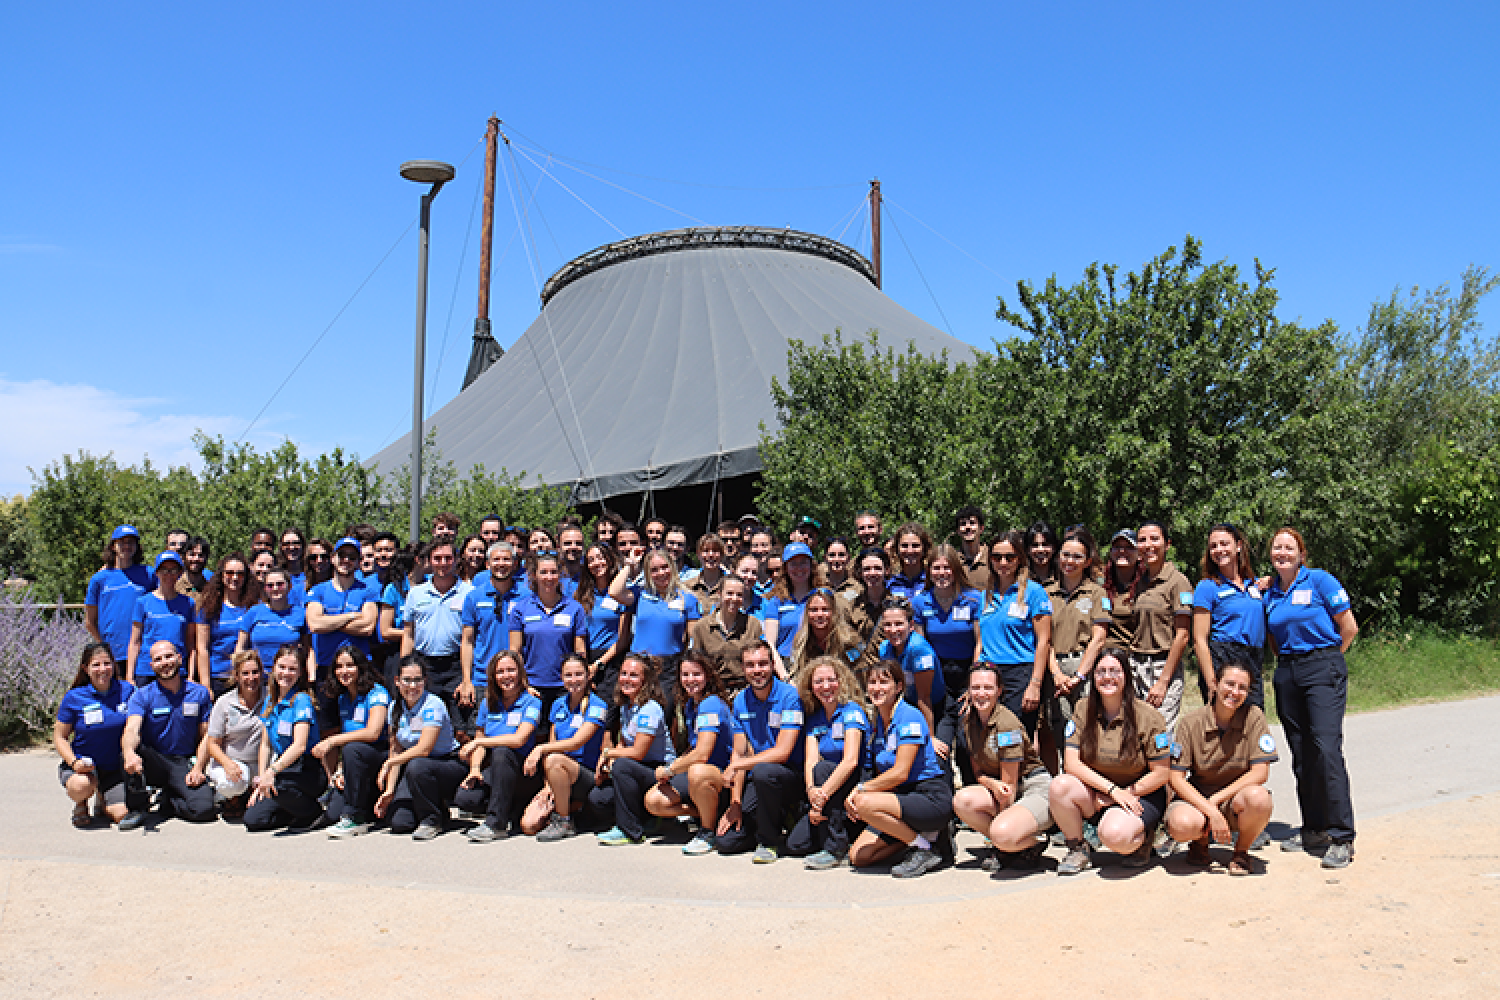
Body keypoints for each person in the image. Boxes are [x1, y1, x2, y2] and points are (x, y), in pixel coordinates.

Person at [1264, 527, 1359, 869]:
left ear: (1301, 554)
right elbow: (1273, 636)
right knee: (1302, 754)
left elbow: (1348, 627)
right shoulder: (1270, 591)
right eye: (1277, 548)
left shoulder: (1320, 581)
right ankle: (1314, 828)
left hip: (1322, 665)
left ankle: (1341, 835)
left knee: (1326, 748)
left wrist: (1331, 660)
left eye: (1289, 547)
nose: (1283, 553)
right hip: (1287, 670)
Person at [1049, 648, 1171, 874]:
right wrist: (1112, 792)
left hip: (1141, 794)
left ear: (1126, 675)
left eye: (1114, 671)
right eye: (1101, 671)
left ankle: (1143, 840)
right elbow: (1071, 764)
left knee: (1113, 835)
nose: (1107, 677)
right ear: (1093, 676)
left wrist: (1125, 793)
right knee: (1060, 786)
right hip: (1102, 792)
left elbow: (1162, 773)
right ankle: (1078, 847)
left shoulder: (1148, 716)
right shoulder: (1083, 708)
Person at [1165, 662, 1277, 875]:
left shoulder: (1254, 717)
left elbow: (1260, 773)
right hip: (1197, 799)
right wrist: (1208, 809)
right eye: (1230, 684)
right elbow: (1176, 778)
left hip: (1234, 800)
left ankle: (1241, 853)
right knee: (1181, 824)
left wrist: (1215, 802)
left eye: (1242, 687)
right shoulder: (1191, 723)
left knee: (1260, 799)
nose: (1235, 692)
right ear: (1215, 684)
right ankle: (1199, 843)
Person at [847, 659, 952, 878]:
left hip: (928, 796)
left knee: (863, 802)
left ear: (899, 687)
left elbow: (900, 772)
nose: (877, 688)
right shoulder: (877, 721)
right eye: (872, 682)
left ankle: (925, 849)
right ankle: (924, 840)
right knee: (859, 856)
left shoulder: (909, 716)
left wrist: (861, 789)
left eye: (884, 682)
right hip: (900, 799)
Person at [952, 664, 1053, 870]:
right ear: (968, 691)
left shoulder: (1007, 725)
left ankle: (1026, 842)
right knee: (962, 801)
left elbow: (1010, 786)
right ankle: (1014, 845)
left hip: (1031, 786)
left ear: (999, 691)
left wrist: (998, 788)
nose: (981, 694)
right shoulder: (969, 721)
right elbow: (978, 771)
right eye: (976, 687)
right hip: (1001, 786)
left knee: (1001, 834)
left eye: (988, 688)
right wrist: (990, 783)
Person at [716, 641, 805, 862]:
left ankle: (769, 841)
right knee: (726, 843)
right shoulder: (740, 701)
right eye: (750, 665)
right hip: (758, 775)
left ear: (773, 665)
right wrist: (735, 803)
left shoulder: (789, 697)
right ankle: (766, 825)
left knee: (764, 771)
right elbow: (739, 753)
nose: (757, 670)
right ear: (743, 669)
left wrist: (736, 765)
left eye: (763, 664)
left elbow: (782, 752)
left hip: (790, 776)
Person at [643, 652, 735, 855]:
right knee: (654, 801)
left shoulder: (710, 703)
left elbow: (702, 753)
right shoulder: (691, 705)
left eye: (696, 674)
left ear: (708, 676)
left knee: (697, 771)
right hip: (696, 773)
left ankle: (707, 831)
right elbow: (693, 748)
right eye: (685, 674)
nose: (690, 680)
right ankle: (702, 814)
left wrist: (671, 769)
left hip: (719, 774)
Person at [119, 641, 216, 830]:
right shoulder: (142, 695)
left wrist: (198, 768)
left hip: (184, 762)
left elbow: (207, 735)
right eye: (158, 659)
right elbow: (131, 729)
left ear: (179, 658)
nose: (165, 663)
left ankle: (170, 800)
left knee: (204, 810)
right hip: (155, 761)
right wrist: (130, 753)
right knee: (127, 747)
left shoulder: (199, 693)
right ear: (151, 666)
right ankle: (137, 808)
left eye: (169, 656)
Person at [786, 655, 868, 869]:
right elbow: (810, 759)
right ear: (810, 687)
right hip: (827, 788)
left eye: (831, 680)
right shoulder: (815, 718)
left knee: (824, 768)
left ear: (841, 681)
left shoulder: (851, 711)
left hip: (854, 784)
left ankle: (835, 848)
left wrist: (820, 798)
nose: (826, 686)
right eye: (818, 682)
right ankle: (844, 834)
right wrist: (811, 790)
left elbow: (850, 761)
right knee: (796, 844)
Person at [1043, 527, 1112, 771]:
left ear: (1087, 561)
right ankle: (1066, 775)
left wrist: (1079, 676)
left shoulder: (1097, 593)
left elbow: (1099, 638)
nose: (1069, 561)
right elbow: (1044, 639)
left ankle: (1092, 774)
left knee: (1088, 723)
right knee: (1059, 725)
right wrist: (1057, 674)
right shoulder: (1045, 593)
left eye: (1076, 557)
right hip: (1055, 668)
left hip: (1084, 666)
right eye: (1065, 555)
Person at [458, 650, 544, 841]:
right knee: (465, 798)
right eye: (500, 672)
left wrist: (480, 741)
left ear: (520, 673)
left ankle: (495, 824)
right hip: (497, 771)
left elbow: (519, 740)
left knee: (503, 752)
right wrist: (474, 769)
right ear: (493, 676)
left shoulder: (532, 701)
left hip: (523, 772)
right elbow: (479, 741)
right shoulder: (488, 704)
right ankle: (508, 809)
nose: (506, 676)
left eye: (511, 670)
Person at [590, 654, 675, 846]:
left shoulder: (650, 709)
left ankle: (629, 830)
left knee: (622, 765)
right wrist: (606, 763)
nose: (627, 679)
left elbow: (638, 752)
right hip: (637, 769)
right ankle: (646, 818)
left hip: (660, 771)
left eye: (634, 675)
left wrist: (607, 754)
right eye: (624, 673)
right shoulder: (627, 706)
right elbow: (624, 743)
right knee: (598, 798)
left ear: (645, 681)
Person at [976, 531, 1054, 736]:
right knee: (981, 738)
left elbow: (1044, 641)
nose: (1003, 562)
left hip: (1020, 674)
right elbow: (980, 642)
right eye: (996, 557)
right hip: (989, 673)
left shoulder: (1034, 592)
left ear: (1019, 559)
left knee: (1012, 738)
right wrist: (974, 676)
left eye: (1009, 557)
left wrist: (1035, 684)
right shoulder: (985, 595)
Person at [376, 658, 463, 839]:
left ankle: (431, 821)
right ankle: (438, 809)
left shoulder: (433, 705)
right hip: (415, 770)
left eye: (418, 680)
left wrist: (389, 763)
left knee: (418, 764)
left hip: (446, 765)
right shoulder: (394, 708)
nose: (412, 686)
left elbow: (424, 749)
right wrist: (390, 790)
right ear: (397, 681)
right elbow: (396, 749)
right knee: (399, 822)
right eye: (407, 680)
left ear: (425, 681)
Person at [527, 655, 610, 841]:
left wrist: (539, 749)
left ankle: (563, 821)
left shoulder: (598, 705)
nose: (574, 680)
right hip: (558, 775)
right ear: (562, 678)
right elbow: (554, 744)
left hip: (587, 776)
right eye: (568, 675)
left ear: (588, 676)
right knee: (529, 825)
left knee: (553, 759)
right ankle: (568, 807)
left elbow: (576, 742)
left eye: (579, 674)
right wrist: (548, 786)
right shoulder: (558, 705)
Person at [243, 644, 327, 831]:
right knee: (253, 820)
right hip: (283, 770)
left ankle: (313, 813)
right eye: (282, 667)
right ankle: (294, 812)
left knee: (279, 787)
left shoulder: (301, 700)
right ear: (273, 669)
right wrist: (261, 778)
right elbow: (265, 744)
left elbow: (299, 745)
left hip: (306, 770)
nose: (286, 673)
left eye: (292, 669)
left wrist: (271, 772)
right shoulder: (270, 700)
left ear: (300, 673)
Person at [913, 543, 982, 766]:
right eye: (936, 568)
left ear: (955, 570)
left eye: (947, 568)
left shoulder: (973, 599)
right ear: (928, 571)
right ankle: (943, 790)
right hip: (937, 676)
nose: (941, 573)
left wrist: (974, 681)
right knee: (940, 740)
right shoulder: (920, 601)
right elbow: (920, 645)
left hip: (967, 673)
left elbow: (980, 642)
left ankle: (972, 792)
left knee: (967, 741)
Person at [54, 643, 135, 828]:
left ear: (114, 665)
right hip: (84, 767)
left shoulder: (127, 691)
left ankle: (103, 801)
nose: (103, 669)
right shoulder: (74, 697)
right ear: (86, 668)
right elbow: (60, 737)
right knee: (80, 786)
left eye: (107, 663)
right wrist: (74, 762)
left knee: (122, 815)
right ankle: (80, 804)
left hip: (114, 767)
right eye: (96, 665)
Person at [1122, 521, 1194, 731]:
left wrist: (1163, 682)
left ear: (1167, 544)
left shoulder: (1178, 582)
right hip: (1136, 665)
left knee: (1159, 734)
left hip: (1162, 666)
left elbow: (1182, 636)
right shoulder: (1139, 582)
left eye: (1155, 539)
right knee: (1137, 732)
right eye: (1142, 540)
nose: (1148, 545)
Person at [315, 644, 392, 838]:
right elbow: (349, 735)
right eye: (339, 666)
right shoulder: (343, 698)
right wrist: (341, 769)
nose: (344, 671)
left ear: (360, 668)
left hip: (379, 755)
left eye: (350, 665)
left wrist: (333, 741)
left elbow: (373, 733)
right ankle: (357, 807)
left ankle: (355, 818)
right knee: (332, 813)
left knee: (352, 748)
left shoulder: (377, 693)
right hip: (356, 759)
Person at [1192, 523, 1267, 709]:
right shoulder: (1207, 586)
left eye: (1224, 544)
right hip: (1223, 656)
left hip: (1253, 658)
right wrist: (1211, 680)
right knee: (1225, 726)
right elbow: (1199, 639)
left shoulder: (1254, 585)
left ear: (1238, 545)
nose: (1219, 550)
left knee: (1254, 721)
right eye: (1213, 546)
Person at [401, 542, 473, 729]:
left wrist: (467, 679)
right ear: (429, 561)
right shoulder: (416, 594)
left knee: (460, 725)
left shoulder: (468, 593)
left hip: (456, 665)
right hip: (425, 665)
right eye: (437, 558)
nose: (443, 563)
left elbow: (470, 638)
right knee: (425, 722)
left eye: (448, 558)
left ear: (456, 560)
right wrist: (404, 668)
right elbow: (408, 634)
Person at [509, 551, 588, 716]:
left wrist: (581, 685)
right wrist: (523, 684)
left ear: (560, 575)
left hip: (565, 686)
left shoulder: (574, 608)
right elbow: (515, 651)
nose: (549, 577)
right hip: (532, 686)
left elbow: (580, 651)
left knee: (563, 735)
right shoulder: (521, 608)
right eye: (543, 572)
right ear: (534, 575)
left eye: (553, 572)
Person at [459, 541, 527, 731]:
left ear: (514, 564)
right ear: (487, 564)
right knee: (480, 736)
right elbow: (467, 641)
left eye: (506, 559)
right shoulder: (474, 597)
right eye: (496, 559)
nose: (501, 564)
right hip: (482, 680)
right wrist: (466, 680)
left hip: (515, 679)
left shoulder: (527, 597)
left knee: (512, 735)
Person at [306, 536, 380, 691]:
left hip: (358, 668)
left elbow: (367, 627)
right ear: (333, 558)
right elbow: (315, 624)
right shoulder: (318, 590)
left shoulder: (368, 591)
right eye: (342, 555)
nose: (346, 560)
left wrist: (328, 622)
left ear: (359, 562)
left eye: (352, 557)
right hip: (327, 667)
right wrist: (352, 616)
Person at [202, 650, 266, 819]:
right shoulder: (224, 703)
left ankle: (251, 793)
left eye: (255, 672)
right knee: (232, 784)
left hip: (262, 763)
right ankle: (233, 798)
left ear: (262, 673)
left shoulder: (271, 697)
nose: (251, 678)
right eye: (245, 673)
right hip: (233, 763)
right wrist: (227, 763)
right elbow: (212, 743)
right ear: (236, 676)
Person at [611, 548, 702, 661]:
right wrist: (630, 564)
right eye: (654, 570)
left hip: (670, 664)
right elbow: (614, 592)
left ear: (672, 567)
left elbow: (692, 638)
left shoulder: (688, 598)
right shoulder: (639, 593)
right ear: (648, 573)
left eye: (664, 567)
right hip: (640, 662)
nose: (661, 573)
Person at [86, 525, 156, 667]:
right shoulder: (99, 579)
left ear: (137, 546)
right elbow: (90, 622)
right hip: (113, 654)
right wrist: (104, 647)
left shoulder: (149, 574)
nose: (126, 546)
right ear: (113, 546)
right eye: (122, 542)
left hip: (143, 652)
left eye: (131, 542)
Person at [126, 551, 197, 685]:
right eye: (164, 570)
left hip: (177, 670)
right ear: (157, 573)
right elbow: (135, 641)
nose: (169, 575)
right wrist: (130, 676)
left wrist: (191, 675)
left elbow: (191, 644)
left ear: (180, 573)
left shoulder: (188, 603)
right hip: (147, 671)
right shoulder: (143, 602)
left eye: (173, 570)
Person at [194, 554, 261, 694]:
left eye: (240, 574)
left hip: (247, 678)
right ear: (221, 575)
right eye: (230, 573)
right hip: (217, 676)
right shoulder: (209, 607)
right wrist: (205, 684)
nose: (235, 578)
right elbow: (202, 648)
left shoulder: (255, 606)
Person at [686, 575, 764, 693]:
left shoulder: (753, 625)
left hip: (745, 690)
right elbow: (697, 664)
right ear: (719, 594)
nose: (734, 598)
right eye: (729, 593)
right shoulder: (701, 628)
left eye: (739, 595)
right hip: (713, 690)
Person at [877, 597, 942, 730]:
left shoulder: (919, 650)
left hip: (934, 708)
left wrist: (929, 737)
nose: (893, 630)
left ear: (911, 625)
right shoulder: (884, 649)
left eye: (899, 624)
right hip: (905, 704)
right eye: (888, 624)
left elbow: (924, 698)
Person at [759, 542, 823, 678]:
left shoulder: (822, 596)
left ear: (811, 565)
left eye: (803, 562)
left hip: (816, 664)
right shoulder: (776, 601)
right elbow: (770, 643)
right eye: (793, 563)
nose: (799, 568)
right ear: (786, 568)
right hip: (785, 667)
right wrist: (784, 676)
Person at [576, 542, 628, 704]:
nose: (596, 563)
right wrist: (585, 666)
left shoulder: (621, 593)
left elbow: (623, 639)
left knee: (608, 713)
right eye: (591, 560)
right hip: (586, 659)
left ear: (610, 560)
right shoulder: (580, 595)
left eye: (600, 558)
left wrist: (598, 665)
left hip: (611, 660)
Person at [787, 588, 866, 682]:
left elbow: (859, 671)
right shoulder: (800, 640)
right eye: (813, 610)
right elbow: (797, 673)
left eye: (825, 609)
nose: (819, 615)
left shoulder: (850, 640)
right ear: (807, 614)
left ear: (834, 612)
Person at [238, 567, 309, 668]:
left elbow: (308, 650)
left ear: (289, 586)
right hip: (258, 676)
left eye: (280, 584)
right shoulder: (253, 612)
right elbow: (240, 648)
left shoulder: (301, 614)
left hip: (288, 674)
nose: (275, 588)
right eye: (270, 585)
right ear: (265, 589)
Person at [887, 523, 931, 601]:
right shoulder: (889, 584)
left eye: (915, 545)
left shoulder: (932, 581)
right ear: (897, 549)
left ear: (924, 548)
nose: (910, 551)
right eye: (904, 546)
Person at [683, 533, 727, 607]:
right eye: (706, 551)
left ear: (722, 555)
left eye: (715, 551)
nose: (710, 555)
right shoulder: (687, 587)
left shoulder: (729, 586)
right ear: (698, 555)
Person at [953, 506, 990, 591]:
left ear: (981, 528)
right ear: (958, 531)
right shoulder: (952, 560)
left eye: (972, 523)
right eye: (963, 524)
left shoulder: (993, 557)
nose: (968, 527)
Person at [821, 537, 861, 603]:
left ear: (848, 558)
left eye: (841, 555)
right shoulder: (818, 585)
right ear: (825, 558)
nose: (837, 559)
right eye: (832, 555)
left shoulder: (857, 588)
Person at [1024, 521, 1059, 588]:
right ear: (1027, 549)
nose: (1040, 550)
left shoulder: (1064, 579)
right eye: (1035, 545)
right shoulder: (1020, 579)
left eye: (1045, 545)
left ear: (1054, 548)